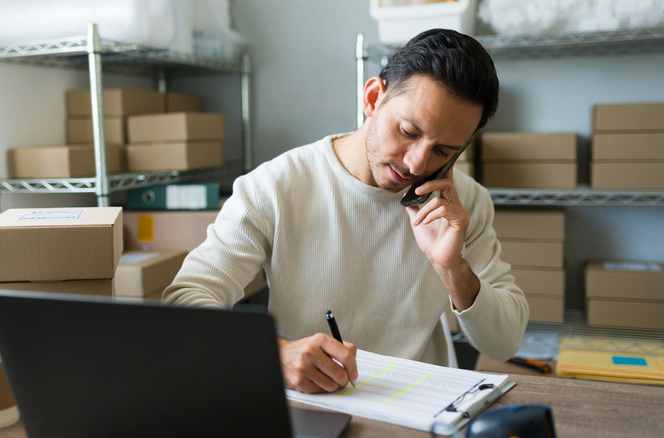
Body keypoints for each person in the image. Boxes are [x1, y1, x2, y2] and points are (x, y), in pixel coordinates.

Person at [162, 29, 528, 394]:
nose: (416, 164)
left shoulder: (464, 205)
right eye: (408, 132)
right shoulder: (274, 186)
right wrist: (274, 353)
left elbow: (504, 343)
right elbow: (185, 302)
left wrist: (452, 268)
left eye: (443, 151)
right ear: (373, 98)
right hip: (313, 402)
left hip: (424, 406)